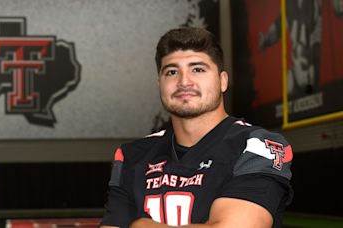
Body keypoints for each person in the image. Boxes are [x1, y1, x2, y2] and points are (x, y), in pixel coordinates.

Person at [101, 27, 293, 228]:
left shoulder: (257, 146)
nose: (184, 82)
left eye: (198, 69)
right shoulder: (132, 155)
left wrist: (140, 225)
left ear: (222, 81)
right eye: (172, 72)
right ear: (160, 84)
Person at [258, 0, 322, 97]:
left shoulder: (315, 3)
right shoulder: (289, 3)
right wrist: (266, 40)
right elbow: (279, 25)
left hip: (312, 64)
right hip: (297, 64)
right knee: (289, 86)